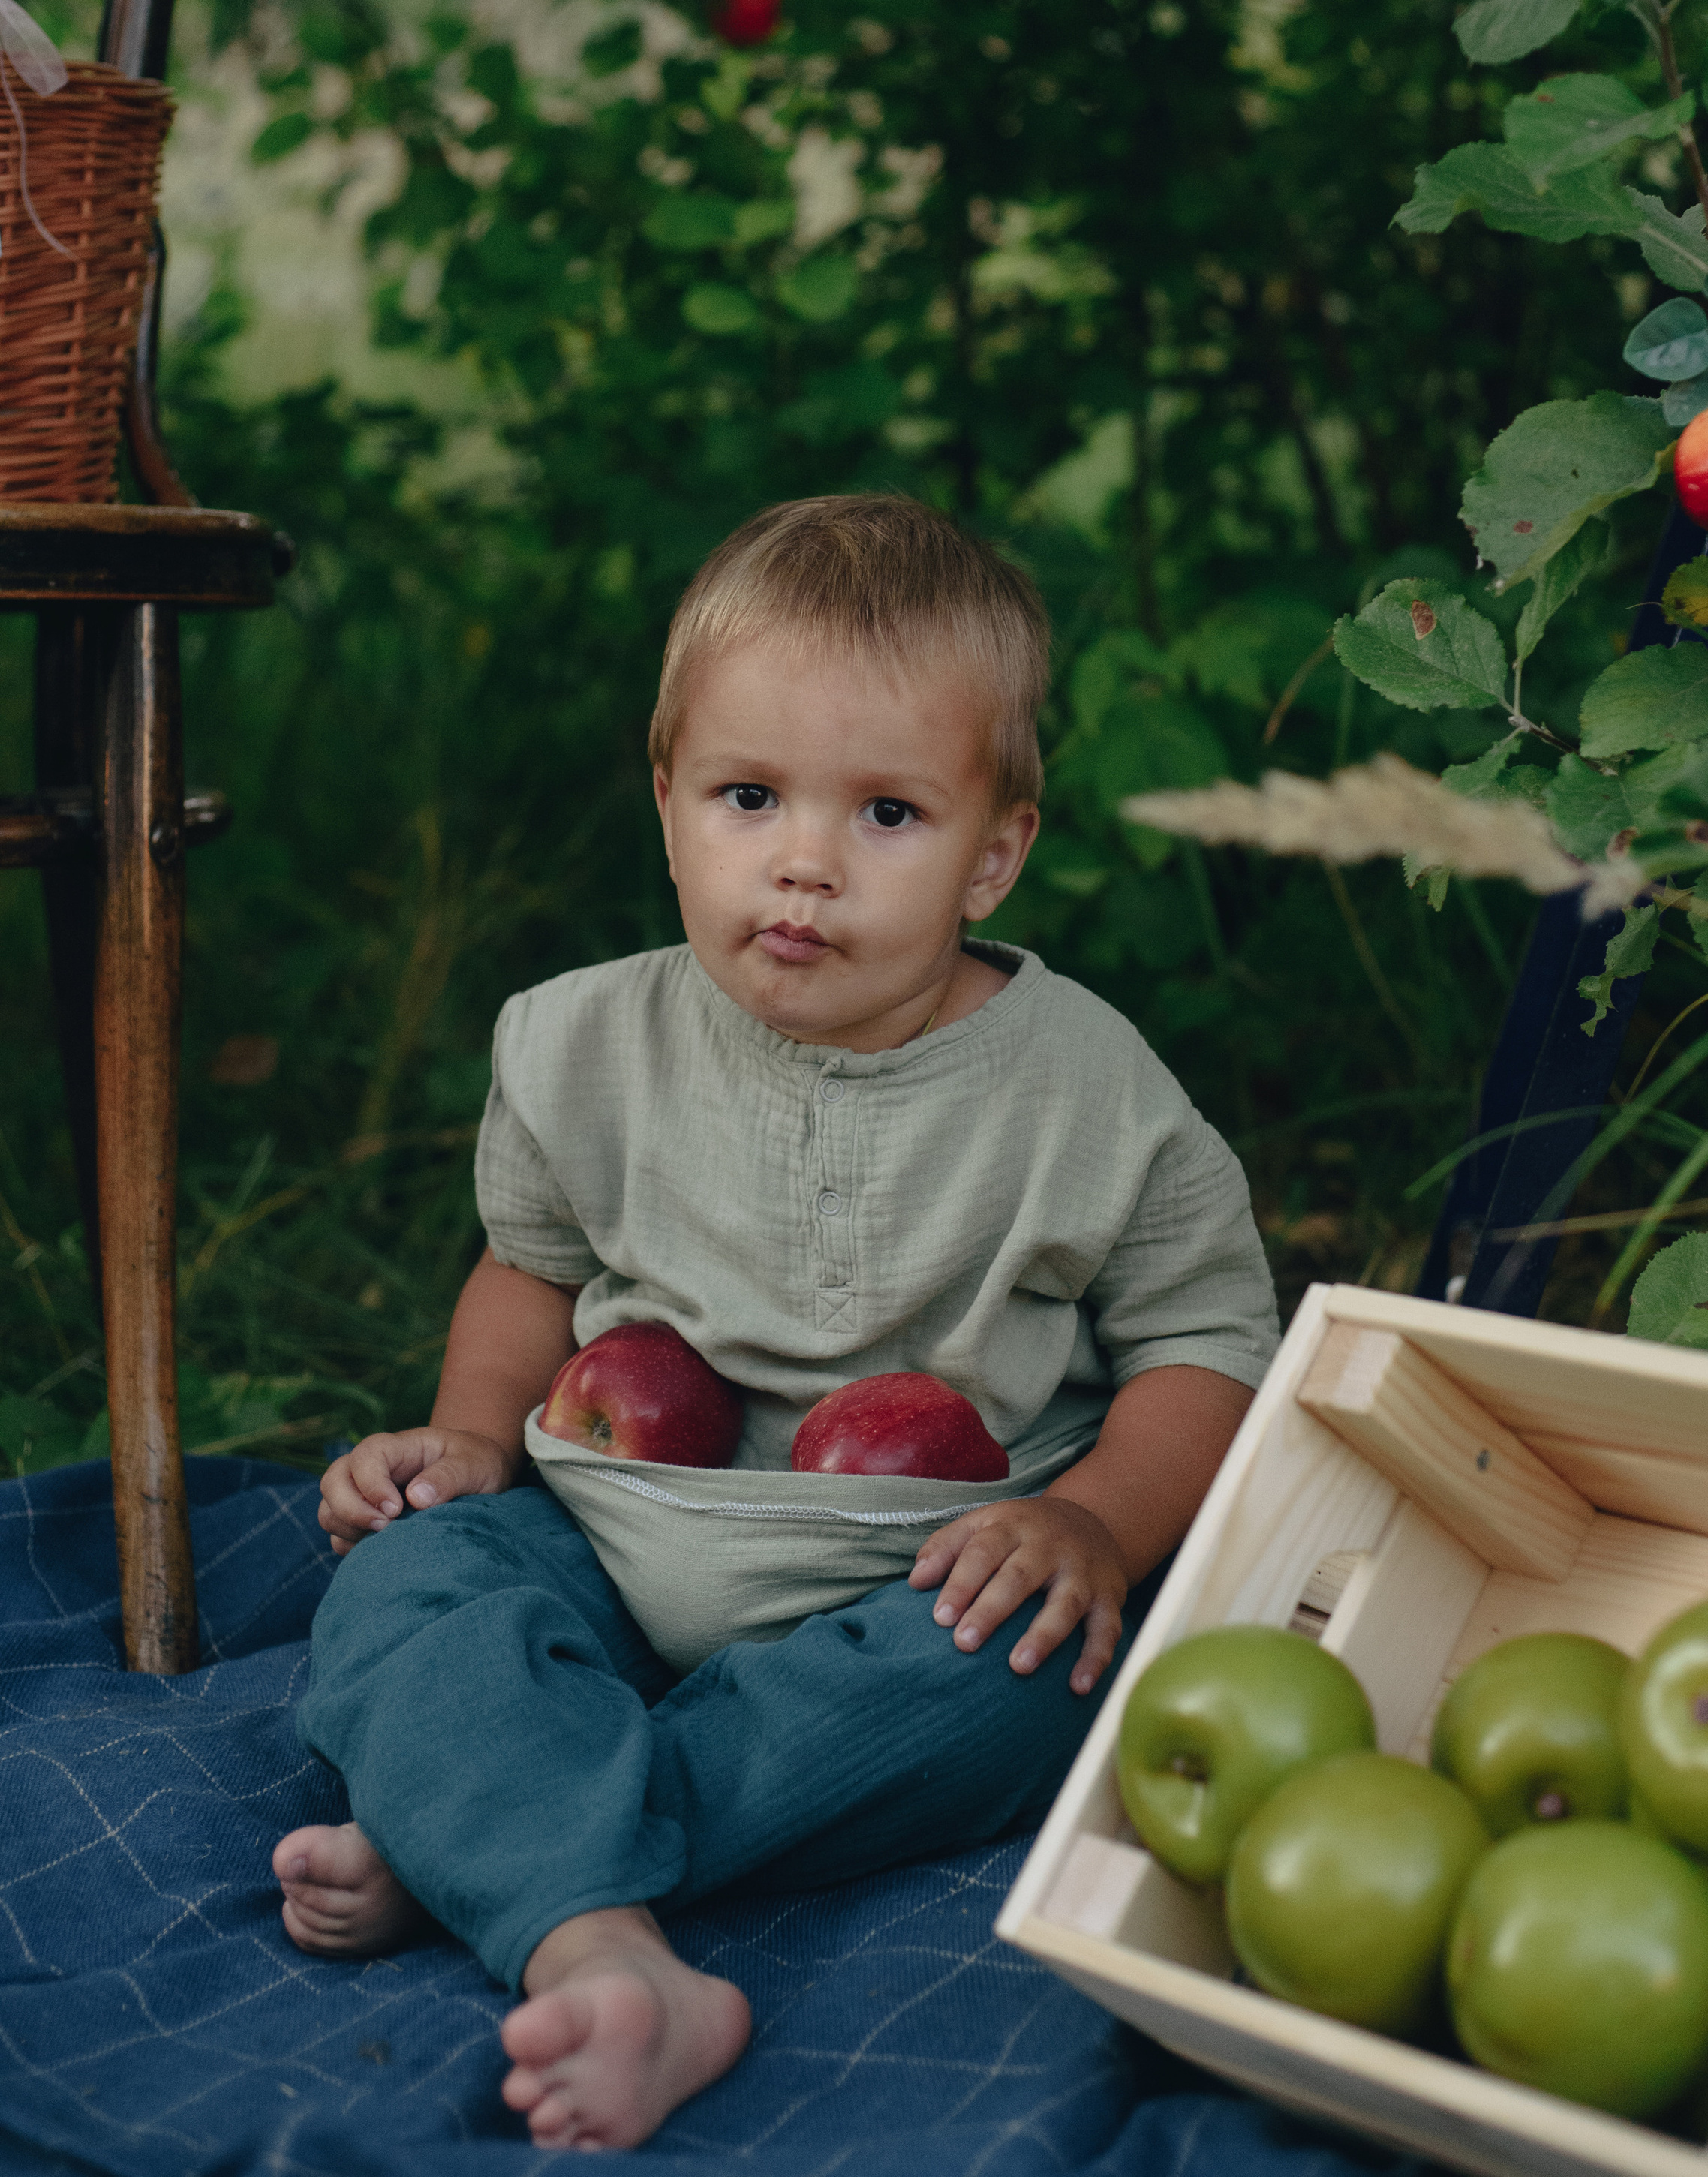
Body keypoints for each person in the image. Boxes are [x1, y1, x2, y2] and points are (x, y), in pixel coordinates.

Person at [272, 493, 1279, 2152]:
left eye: (886, 811)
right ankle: (577, 1903)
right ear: (668, 806)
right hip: (612, 1525)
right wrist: (463, 1441)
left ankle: (501, 1842)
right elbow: (525, 1270)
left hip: (921, 1576)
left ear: (994, 851)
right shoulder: (583, 1046)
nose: (802, 861)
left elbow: (1208, 1344)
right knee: (407, 1571)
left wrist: (1088, 1524)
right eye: (749, 797)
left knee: (1038, 1679)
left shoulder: (1086, 1089)